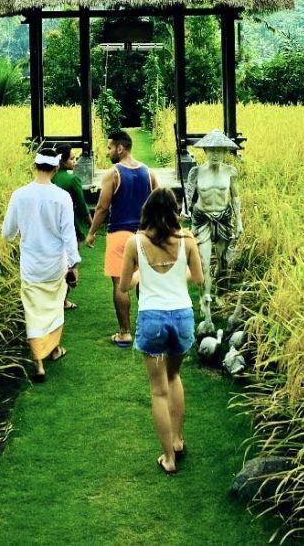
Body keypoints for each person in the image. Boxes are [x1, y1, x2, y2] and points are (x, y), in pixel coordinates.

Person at [118, 188, 204, 474]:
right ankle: (178, 441)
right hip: (181, 316)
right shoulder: (187, 238)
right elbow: (198, 278)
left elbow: (124, 286)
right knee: (174, 375)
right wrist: (178, 271)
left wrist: (144, 273)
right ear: (174, 211)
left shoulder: (135, 242)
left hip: (152, 318)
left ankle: (168, 458)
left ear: (148, 212)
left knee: (158, 391)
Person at [1, 148, 81, 383]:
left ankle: (38, 363)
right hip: (54, 263)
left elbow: (7, 233)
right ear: (56, 168)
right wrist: (73, 263)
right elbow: (68, 234)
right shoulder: (61, 197)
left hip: (31, 264)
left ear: (34, 166)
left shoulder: (19, 195)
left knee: (33, 310)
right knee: (54, 306)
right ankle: (54, 349)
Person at [85, 130, 158, 346]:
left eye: (109, 148)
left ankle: (125, 333)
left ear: (120, 148)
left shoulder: (113, 174)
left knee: (120, 283)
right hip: (145, 236)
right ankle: (148, 330)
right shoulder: (148, 173)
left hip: (119, 236)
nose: (107, 152)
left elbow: (102, 207)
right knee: (145, 282)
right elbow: (159, 201)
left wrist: (91, 233)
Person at [185, 130, 242, 326]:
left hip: (224, 218)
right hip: (203, 219)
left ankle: (219, 292)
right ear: (206, 151)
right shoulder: (197, 172)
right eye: (212, 151)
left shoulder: (230, 172)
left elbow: (235, 197)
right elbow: (188, 195)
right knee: (204, 262)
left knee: (223, 261)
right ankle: (205, 300)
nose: (216, 154)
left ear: (225, 151)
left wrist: (239, 221)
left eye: (220, 150)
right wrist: (185, 211)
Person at [52, 144, 92, 310]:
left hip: (52, 225)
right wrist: (92, 224)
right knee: (70, 263)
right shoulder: (72, 180)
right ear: (62, 161)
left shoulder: (50, 179)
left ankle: (54, 299)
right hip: (71, 224)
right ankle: (63, 299)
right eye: (72, 158)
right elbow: (82, 206)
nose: (75, 161)